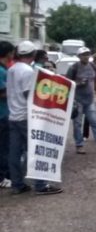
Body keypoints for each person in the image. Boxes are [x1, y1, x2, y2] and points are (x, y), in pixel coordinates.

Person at [8, 41, 62, 195]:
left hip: (14, 116)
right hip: (26, 117)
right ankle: (40, 185)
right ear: (33, 54)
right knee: (36, 150)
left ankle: (17, 184)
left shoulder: (12, 69)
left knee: (14, 152)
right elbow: (28, 95)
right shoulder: (27, 71)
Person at [67, 47, 96, 154]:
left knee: (95, 122)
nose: (86, 56)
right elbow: (67, 83)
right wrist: (78, 83)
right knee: (77, 124)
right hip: (77, 100)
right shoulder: (74, 67)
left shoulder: (92, 66)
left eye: (87, 54)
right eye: (83, 54)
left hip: (90, 100)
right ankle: (79, 145)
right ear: (79, 56)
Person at [0, 41, 13, 189]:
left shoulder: (5, 69)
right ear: (8, 53)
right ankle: (2, 177)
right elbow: (2, 93)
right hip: (2, 115)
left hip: (4, 113)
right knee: (3, 147)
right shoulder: (1, 71)